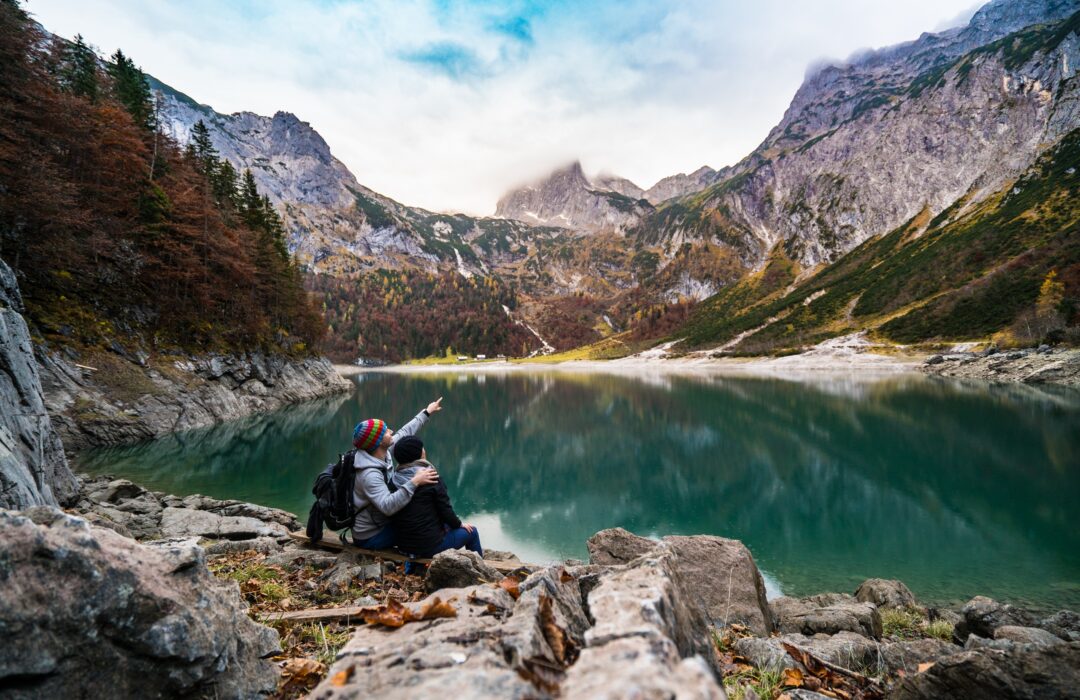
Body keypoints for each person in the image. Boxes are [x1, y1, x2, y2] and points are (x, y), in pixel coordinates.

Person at [349, 397, 443, 549]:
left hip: (381, 522)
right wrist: (415, 481)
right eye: (386, 431)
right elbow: (387, 506)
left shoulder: (381, 451)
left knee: (423, 519)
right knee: (423, 528)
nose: (391, 432)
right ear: (379, 441)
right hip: (371, 535)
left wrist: (427, 412)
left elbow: (405, 431)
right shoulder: (369, 474)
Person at [389, 435, 482, 559]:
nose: (424, 450)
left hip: (404, 546)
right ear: (419, 453)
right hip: (429, 547)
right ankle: (482, 571)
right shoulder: (431, 478)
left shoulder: (394, 479)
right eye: (422, 448)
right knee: (472, 532)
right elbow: (445, 510)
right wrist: (459, 524)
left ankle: (411, 567)